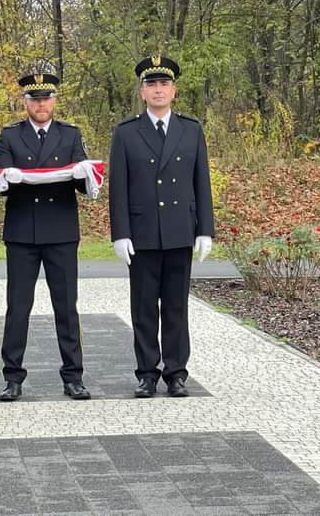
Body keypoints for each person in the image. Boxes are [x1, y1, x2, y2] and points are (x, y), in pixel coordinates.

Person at [107, 56, 214, 398]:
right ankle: (147, 373)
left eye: (164, 84)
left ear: (174, 91)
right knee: (143, 309)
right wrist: (120, 233)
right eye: (151, 84)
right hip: (143, 233)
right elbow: (118, 188)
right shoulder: (126, 133)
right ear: (142, 92)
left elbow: (201, 182)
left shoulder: (191, 130)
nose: (158, 90)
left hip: (179, 230)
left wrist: (205, 229)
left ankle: (176, 372)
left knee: (176, 307)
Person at [0, 72, 92, 402]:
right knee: (18, 308)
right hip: (22, 233)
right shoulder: (10, 135)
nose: (41, 105)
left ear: (54, 101)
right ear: (26, 102)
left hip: (60, 232)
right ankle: (12, 377)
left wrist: (87, 176)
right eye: (34, 100)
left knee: (66, 308)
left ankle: (73, 376)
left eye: (46, 99)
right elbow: (0, 180)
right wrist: (6, 178)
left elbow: (83, 183)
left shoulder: (70, 134)